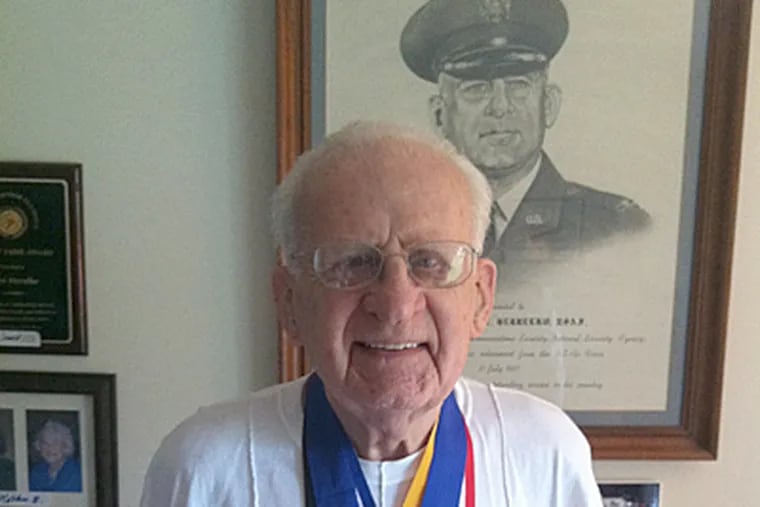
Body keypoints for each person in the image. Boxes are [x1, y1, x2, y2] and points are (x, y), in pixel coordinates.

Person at [140, 121, 603, 506]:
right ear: (290, 302)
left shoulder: (545, 453)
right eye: (352, 263)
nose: (397, 305)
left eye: (430, 262)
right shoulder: (204, 466)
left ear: (480, 298)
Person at [400, 0, 651, 285]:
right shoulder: (403, 227)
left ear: (549, 105)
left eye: (519, 85)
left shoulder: (615, 229)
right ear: (439, 115)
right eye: (476, 88)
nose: (500, 107)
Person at [28, 419, 82, 492]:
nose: (50, 448)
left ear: (65, 446)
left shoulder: (77, 471)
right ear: (39, 446)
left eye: (55, 443)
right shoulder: (37, 472)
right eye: (45, 443)